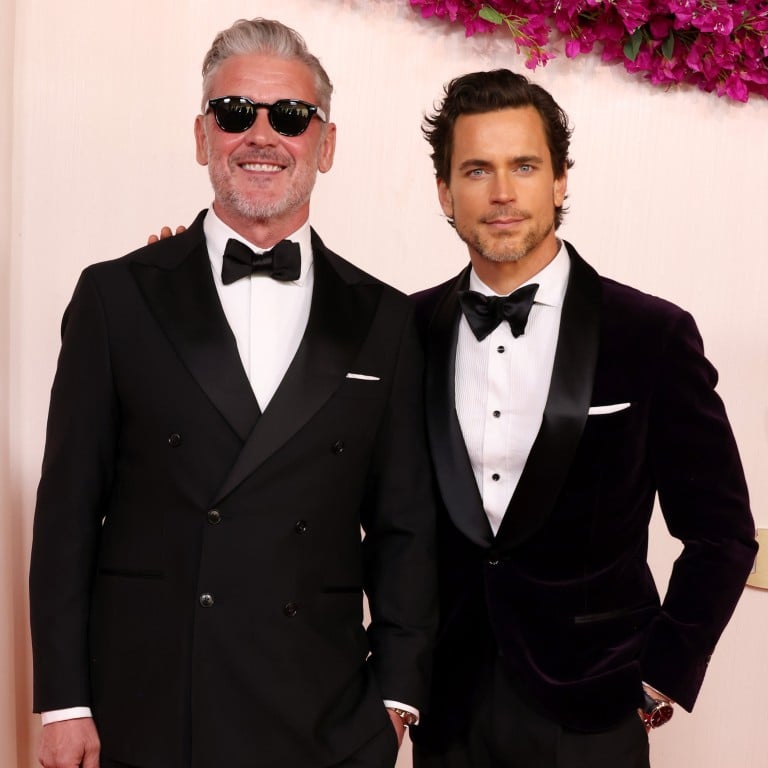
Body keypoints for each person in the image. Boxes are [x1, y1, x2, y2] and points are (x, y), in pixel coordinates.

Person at [29, 18, 437, 768]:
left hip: (325, 711)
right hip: (150, 700)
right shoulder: (115, 297)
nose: (260, 135)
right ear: (201, 135)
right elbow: (66, 513)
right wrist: (65, 700)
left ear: (325, 143)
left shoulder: (384, 317)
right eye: (233, 112)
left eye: (289, 116)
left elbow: (405, 524)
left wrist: (396, 700)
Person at [407, 69, 757, 768]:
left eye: (524, 166)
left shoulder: (651, 334)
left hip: (594, 706)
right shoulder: (402, 331)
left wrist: (665, 668)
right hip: (446, 706)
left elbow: (721, 531)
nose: (502, 192)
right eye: (477, 169)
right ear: (445, 192)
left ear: (560, 181)